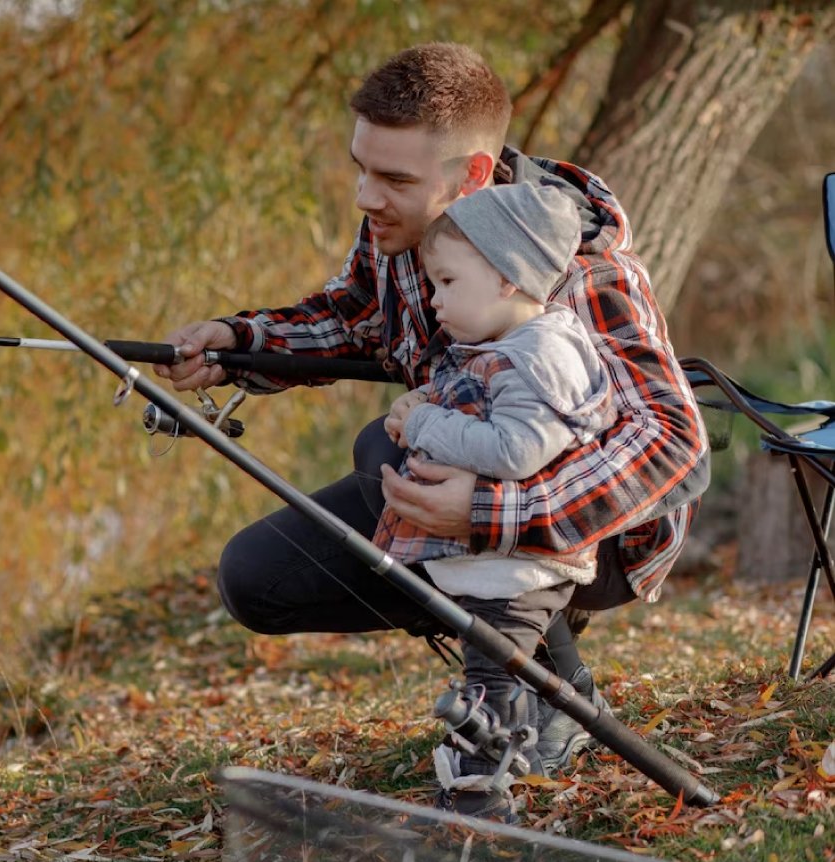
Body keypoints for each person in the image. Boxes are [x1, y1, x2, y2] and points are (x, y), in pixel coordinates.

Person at [153, 43, 708, 796]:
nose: (365, 195)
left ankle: (545, 692)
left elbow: (674, 443)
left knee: (373, 449)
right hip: (465, 474)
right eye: (361, 167)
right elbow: (352, 318)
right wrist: (239, 343)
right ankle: (523, 656)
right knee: (255, 581)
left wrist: (491, 514)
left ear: (471, 176)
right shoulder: (403, 229)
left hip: (601, 536)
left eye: (393, 178)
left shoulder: (577, 269)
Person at [375, 182, 615, 818]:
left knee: (490, 683)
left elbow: (516, 449)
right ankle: (558, 720)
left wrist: (425, 427)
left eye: (448, 282)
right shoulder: (502, 348)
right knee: (500, 673)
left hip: (514, 570)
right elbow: (476, 407)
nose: (435, 298)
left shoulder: (541, 355)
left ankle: (482, 793)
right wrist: (420, 404)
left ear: (508, 277)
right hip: (491, 565)